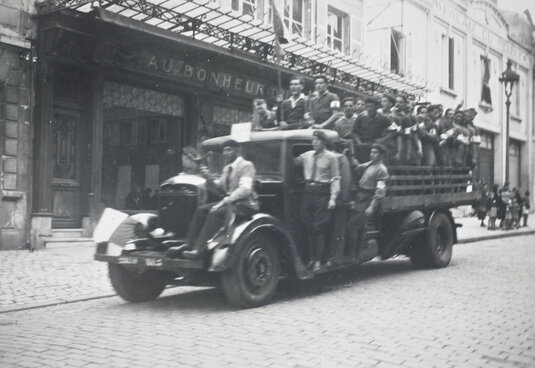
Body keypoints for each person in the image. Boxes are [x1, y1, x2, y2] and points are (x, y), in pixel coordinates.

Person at [170, 139, 259, 259]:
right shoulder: (227, 168)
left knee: (215, 213)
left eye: (229, 150)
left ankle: (199, 250)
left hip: (245, 204)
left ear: (237, 151)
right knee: (201, 210)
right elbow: (220, 188)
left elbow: (245, 189)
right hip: (231, 203)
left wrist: (227, 200)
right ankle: (188, 245)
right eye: (224, 151)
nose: (225, 153)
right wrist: (208, 177)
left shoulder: (247, 166)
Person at [294, 130, 340, 271]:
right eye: (313, 140)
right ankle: (311, 258)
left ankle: (318, 260)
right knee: (306, 224)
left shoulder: (331, 157)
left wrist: (333, 198)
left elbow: (335, 178)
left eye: (317, 140)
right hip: (308, 192)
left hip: (322, 192)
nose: (314, 143)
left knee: (318, 227)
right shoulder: (307, 155)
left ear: (323, 142)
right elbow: (293, 162)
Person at [346, 143, 389, 262]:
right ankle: (357, 256)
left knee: (351, 227)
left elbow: (380, 191)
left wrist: (371, 206)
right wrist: (350, 156)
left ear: (381, 155)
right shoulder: (370, 164)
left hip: (368, 200)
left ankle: (353, 256)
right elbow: (357, 167)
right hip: (360, 198)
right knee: (360, 228)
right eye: (371, 152)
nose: (372, 154)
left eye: (375, 153)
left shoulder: (381, 169)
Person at [352, 97, 391, 163]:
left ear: (376, 107)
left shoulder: (383, 118)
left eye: (371, 107)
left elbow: (394, 130)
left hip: (376, 147)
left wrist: (382, 140)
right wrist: (359, 142)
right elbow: (354, 132)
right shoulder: (360, 116)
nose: (369, 109)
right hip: (363, 147)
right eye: (367, 106)